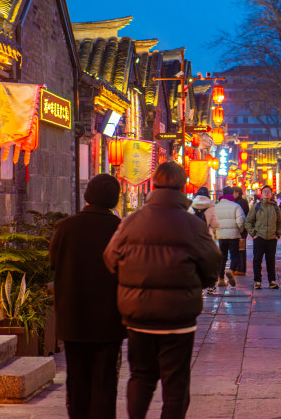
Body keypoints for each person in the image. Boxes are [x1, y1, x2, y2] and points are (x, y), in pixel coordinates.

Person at [104, 162, 221, 419]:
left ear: (153, 185)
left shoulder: (131, 221)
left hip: (139, 315)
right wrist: (192, 285)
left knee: (141, 377)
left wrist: (131, 282)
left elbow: (111, 258)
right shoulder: (193, 225)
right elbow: (212, 265)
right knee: (175, 382)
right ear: (182, 187)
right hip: (178, 316)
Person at [50, 173, 125, 419]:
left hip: (73, 315)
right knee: (105, 378)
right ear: (114, 199)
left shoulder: (66, 227)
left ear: (87, 196)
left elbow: (53, 263)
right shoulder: (119, 229)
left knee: (77, 376)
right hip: (109, 318)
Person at [245, 185, 281, 289]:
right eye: (264, 192)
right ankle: (257, 281)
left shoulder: (275, 207)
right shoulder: (256, 207)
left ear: (271, 194)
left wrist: (277, 235)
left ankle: (272, 281)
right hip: (259, 238)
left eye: (268, 192)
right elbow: (248, 222)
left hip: (272, 238)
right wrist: (254, 234)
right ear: (261, 194)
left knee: (271, 261)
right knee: (257, 260)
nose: (266, 193)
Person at [215, 186, 245, 288]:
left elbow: (213, 222)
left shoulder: (216, 206)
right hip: (233, 236)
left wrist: (216, 232)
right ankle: (231, 271)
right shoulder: (236, 206)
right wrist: (240, 231)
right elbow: (241, 221)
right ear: (232, 194)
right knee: (235, 256)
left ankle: (221, 279)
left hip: (221, 236)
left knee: (222, 258)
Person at [233, 187, 249, 275]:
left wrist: (241, 229)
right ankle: (239, 268)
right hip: (241, 229)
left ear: (237, 193)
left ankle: (241, 269)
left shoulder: (240, 203)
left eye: (233, 192)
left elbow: (242, 218)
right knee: (240, 248)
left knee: (241, 249)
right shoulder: (241, 202)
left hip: (241, 229)